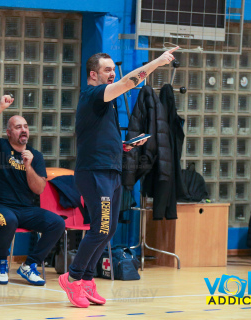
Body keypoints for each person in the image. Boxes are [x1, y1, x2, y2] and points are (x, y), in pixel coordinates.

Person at [58, 48, 179, 308]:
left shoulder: (106, 101)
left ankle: (87, 280)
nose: (113, 74)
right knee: (100, 228)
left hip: (110, 170)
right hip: (94, 173)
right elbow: (128, 82)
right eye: (107, 70)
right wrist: (158, 62)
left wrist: (122, 145)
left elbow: (97, 135)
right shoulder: (93, 94)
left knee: (109, 229)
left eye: (114, 69)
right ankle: (73, 277)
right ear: (93, 74)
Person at [0, 95, 65, 286]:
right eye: (18, 127)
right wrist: (0, 107)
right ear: (9, 132)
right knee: (8, 219)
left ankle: (30, 265)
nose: (23, 129)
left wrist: (28, 165)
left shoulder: (36, 156)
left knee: (57, 223)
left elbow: (39, 189)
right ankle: (1, 262)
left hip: (25, 209)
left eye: (25, 126)